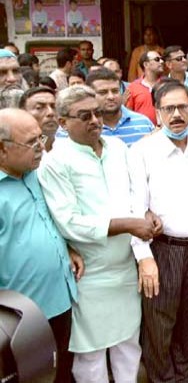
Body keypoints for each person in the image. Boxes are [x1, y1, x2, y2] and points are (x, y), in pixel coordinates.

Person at [38, 85, 159, 382]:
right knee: (90, 355)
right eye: (85, 115)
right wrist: (129, 224)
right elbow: (69, 222)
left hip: (124, 268)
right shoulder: (56, 161)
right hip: (90, 274)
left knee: (128, 345)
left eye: (98, 113)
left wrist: (145, 215)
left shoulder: (117, 148)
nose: (95, 120)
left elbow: (134, 196)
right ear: (64, 122)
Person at [129, 81, 188, 383]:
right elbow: (136, 207)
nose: (176, 114)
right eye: (168, 108)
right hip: (162, 250)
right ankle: (162, 378)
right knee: (159, 325)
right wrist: (143, 258)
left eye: (182, 107)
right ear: (158, 113)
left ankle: (182, 375)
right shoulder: (142, 151)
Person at [0, 108, 81, 383]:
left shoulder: (39, 173)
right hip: (19, 318)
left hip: (61, 299)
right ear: (2, 149)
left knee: (62, 373)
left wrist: (66, 247)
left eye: (41, 139)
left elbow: (49, 222)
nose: (40, 148)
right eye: (31, 142)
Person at [125, 50, 164, 125]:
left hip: (164, 131)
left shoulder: (167, 84)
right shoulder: (133, 87)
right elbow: (128, 113)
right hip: (140, 131)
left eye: (161, 59)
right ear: (146, 64)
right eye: (157, 59)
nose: (162, 61)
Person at [19, 86, 59, 152]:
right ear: (23, 113)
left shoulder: (68, 147)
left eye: (53, 106)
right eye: (39, 107)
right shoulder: (14, 153)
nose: (50, 112)